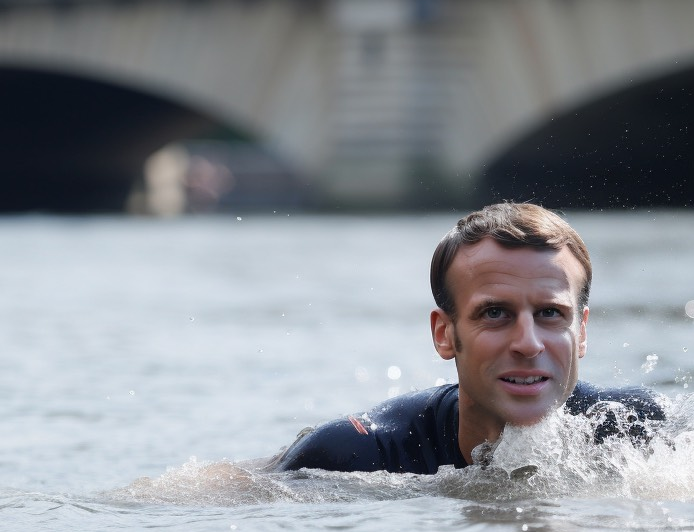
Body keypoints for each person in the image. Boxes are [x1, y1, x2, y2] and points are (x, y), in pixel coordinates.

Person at [271, 202, 663, 474]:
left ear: (581, 332)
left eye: (550, 314)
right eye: (495, 314)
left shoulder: (637, 431)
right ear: (444, 334)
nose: (528, 343)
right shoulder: (354, 454)